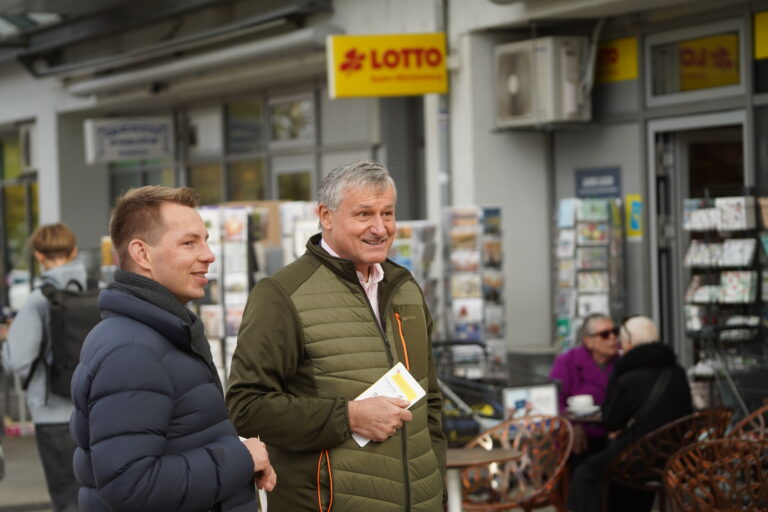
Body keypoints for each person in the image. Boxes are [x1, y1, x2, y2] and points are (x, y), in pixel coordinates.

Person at [226, 160, 446, 511]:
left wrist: (436, 492)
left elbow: (429, 402)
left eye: (387, 214)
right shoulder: (281, 294)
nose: (380, 228)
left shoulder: (405, 288)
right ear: (325, 216)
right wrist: (351, 417)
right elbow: (246, 407)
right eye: (363, 215)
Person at [69, 186, 275, 512]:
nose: (209, 255)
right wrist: (240, 457)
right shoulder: (133, 351)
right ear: (142, 254)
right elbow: (130, 485)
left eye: (206, 240)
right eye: (189, 243)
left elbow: (177, 440)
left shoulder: (159, 335)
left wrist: (237, 449)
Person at [567, 315, 693, 512]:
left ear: (630, 343)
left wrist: (617, 375)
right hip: (676, 454)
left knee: (585, 474)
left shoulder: (629, 376)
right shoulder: (677, 371)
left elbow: (611, 421)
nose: (617, 342)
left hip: (641, 457)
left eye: (620, 337)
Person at [1, 223, 84, 511]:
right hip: (95, 410)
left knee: (67, 498)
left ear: (38, 256)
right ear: (74, 252)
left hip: (53, 413)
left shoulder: (39, 300)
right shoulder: (97, 292)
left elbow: (16, 359)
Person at [549, 313, 619, 465]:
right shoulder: (568, 361)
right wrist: (573, 425)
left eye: (615, 332)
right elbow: (554, 401)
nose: (613, 338)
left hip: (612, 435)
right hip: (581, 437)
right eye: (605, 335)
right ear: (589, 341)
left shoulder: (621, 362)